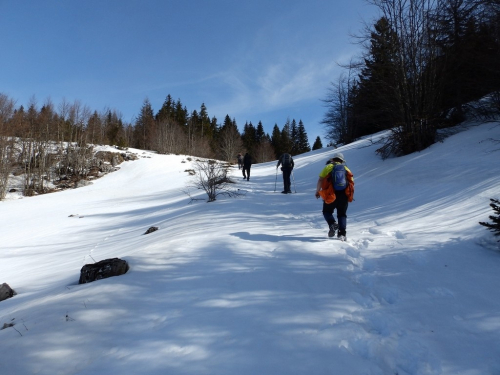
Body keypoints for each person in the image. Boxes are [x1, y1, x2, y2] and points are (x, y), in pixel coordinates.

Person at [315, 152, 354, 240]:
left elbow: (320, 180)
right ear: (342, 161)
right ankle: (342, 234)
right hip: (343, 194)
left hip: (330, 193)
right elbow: (351, 182)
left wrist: (317, 191)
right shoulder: (346, 169)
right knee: (342, 214)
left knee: (327, 212)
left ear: (333, 159)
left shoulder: (328, 167)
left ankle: (332, 223)